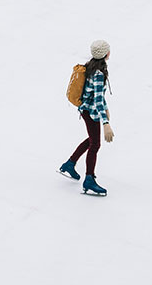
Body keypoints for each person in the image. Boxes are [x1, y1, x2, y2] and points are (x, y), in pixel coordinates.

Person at [58, 39, 114, 197]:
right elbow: (96, 100)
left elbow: (97, 96)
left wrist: (106, 108)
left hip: (87, 110)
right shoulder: (98, 73)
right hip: (90, 112)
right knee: (95, 144)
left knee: (91, 140)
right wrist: (106, 123)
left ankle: (69, 164)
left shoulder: (92, 67)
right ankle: (89, 180)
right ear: (105, 54)